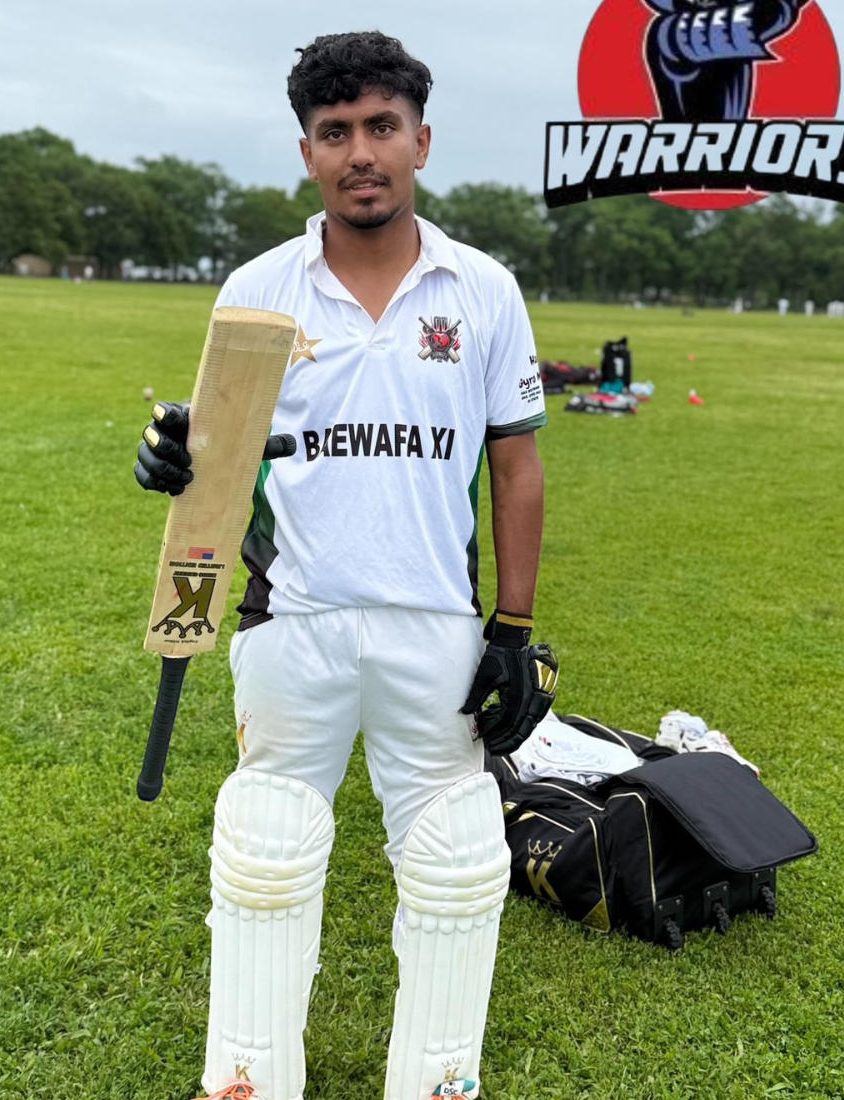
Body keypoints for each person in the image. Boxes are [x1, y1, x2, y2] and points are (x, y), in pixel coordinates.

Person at [134, 31, 555, 1100]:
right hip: (294, 621)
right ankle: (246, 1079)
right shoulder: (260, 285)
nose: (359, 151)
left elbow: (515, 467)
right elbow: (214, 466)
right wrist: (170, 457)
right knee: (268, 843)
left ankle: (439, 1082)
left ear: (420, 138)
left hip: (436, 627)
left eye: (379, 127)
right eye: (335, 132)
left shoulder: (484, 288)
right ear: (308, 152)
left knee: (459, 858)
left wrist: (511, 630)